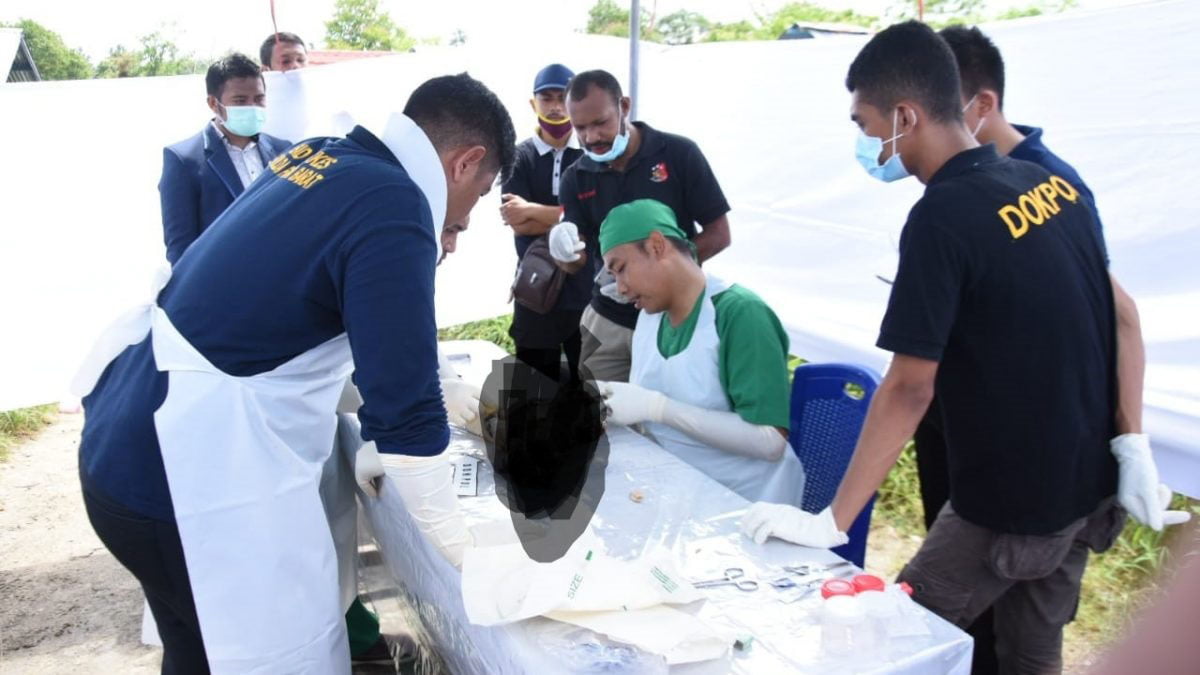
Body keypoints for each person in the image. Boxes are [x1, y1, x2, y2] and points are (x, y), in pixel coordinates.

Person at [740, 22, 1186, 674]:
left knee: (893, 639)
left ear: (905, 115)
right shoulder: (1048, 185)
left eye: (865, 126)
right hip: (1080, 492)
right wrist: (1128, 444)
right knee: (1031, 654)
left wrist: (834, 519)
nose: (865, 144)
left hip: (1007, 502)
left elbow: (909, 386)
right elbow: (1112, 311)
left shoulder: (941, 217)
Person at [75, 73, 515, 674]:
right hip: (184, 473)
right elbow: (407, 423)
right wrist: (468, 554)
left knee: (198, 652)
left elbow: (280, 333)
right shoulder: (395, 202)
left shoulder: (324, 156)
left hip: (126, 441)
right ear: (468, 162)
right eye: (482, 194)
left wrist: (434, 384)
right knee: (266, 654)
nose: (461, 228)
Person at [904, 24, 1162, 674]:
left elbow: (1118, 314)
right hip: (984, 432)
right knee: (1010, 628)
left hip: (1034, 465)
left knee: (931, 617)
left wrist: (1131, 439)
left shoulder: (1045, 181)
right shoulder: (962, 184)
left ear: (978, 105)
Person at [595, 199, 805, 505]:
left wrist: (659, 409)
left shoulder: (740, 314)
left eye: (621, 269)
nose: (622, 288)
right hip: (678, 487)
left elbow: (769, 440)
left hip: (747, 502)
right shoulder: (652, 316)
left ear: (656, 245)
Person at [551, 69, 732, 382]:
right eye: (580, 128)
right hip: (608, 319)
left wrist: (662, 274)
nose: (591, 137)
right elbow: (576, 260)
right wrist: (563, 252)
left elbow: (719, 234)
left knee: (667, 416)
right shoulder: (576, 177)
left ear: (624, 106)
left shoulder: (678, 154)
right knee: (600, 418)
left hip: (673, 317)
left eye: (600, 123)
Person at [159, 53, 291, 266]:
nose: (252, 107)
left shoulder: (285, 151)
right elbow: (181, 248)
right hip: (223, 285)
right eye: (240, 101)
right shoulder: (184, 160)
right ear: (213, 103)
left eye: (259, 99)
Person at [500, 63, 585, 381]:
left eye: (562, 97)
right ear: (533, 103)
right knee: (535, 391)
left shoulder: (590, 154)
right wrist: (575, 218)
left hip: (586, 290)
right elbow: (517, 222)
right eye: (546, 98)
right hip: (535, 287)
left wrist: (534, 210)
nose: (554, 106)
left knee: (594, 392)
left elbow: (598, 219)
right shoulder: (517, 156)